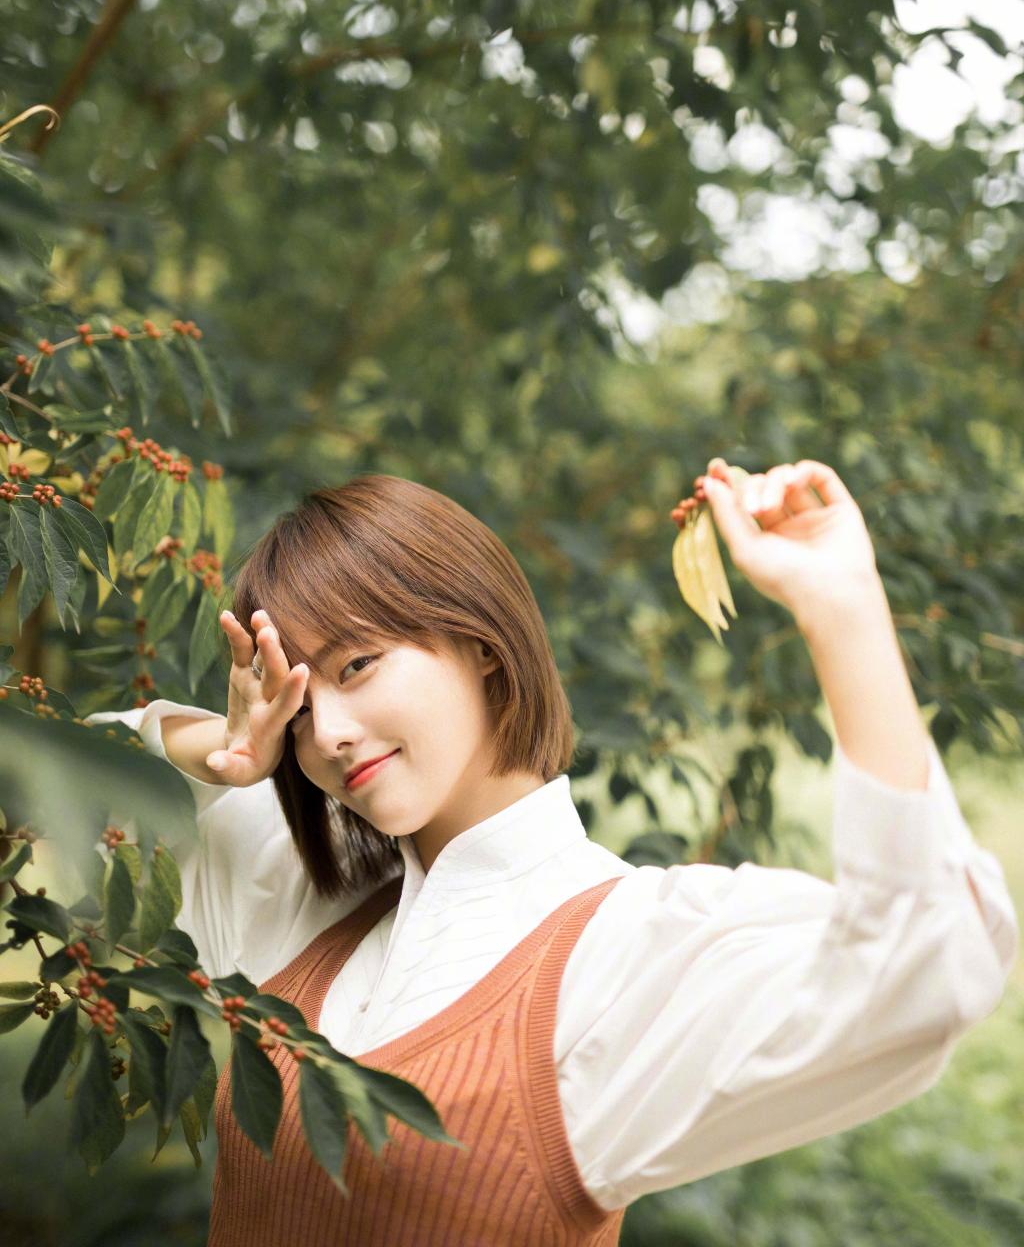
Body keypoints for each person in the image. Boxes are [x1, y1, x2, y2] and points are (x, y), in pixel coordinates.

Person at [87, 465, 1019, 1246]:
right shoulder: (310, 894)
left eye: (357, 666)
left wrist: (841, 611)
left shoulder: (623, 953)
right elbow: (52, 776)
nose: (326, 732)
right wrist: (220, 748)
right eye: (299, 704)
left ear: (480, 643)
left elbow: (925, 966)